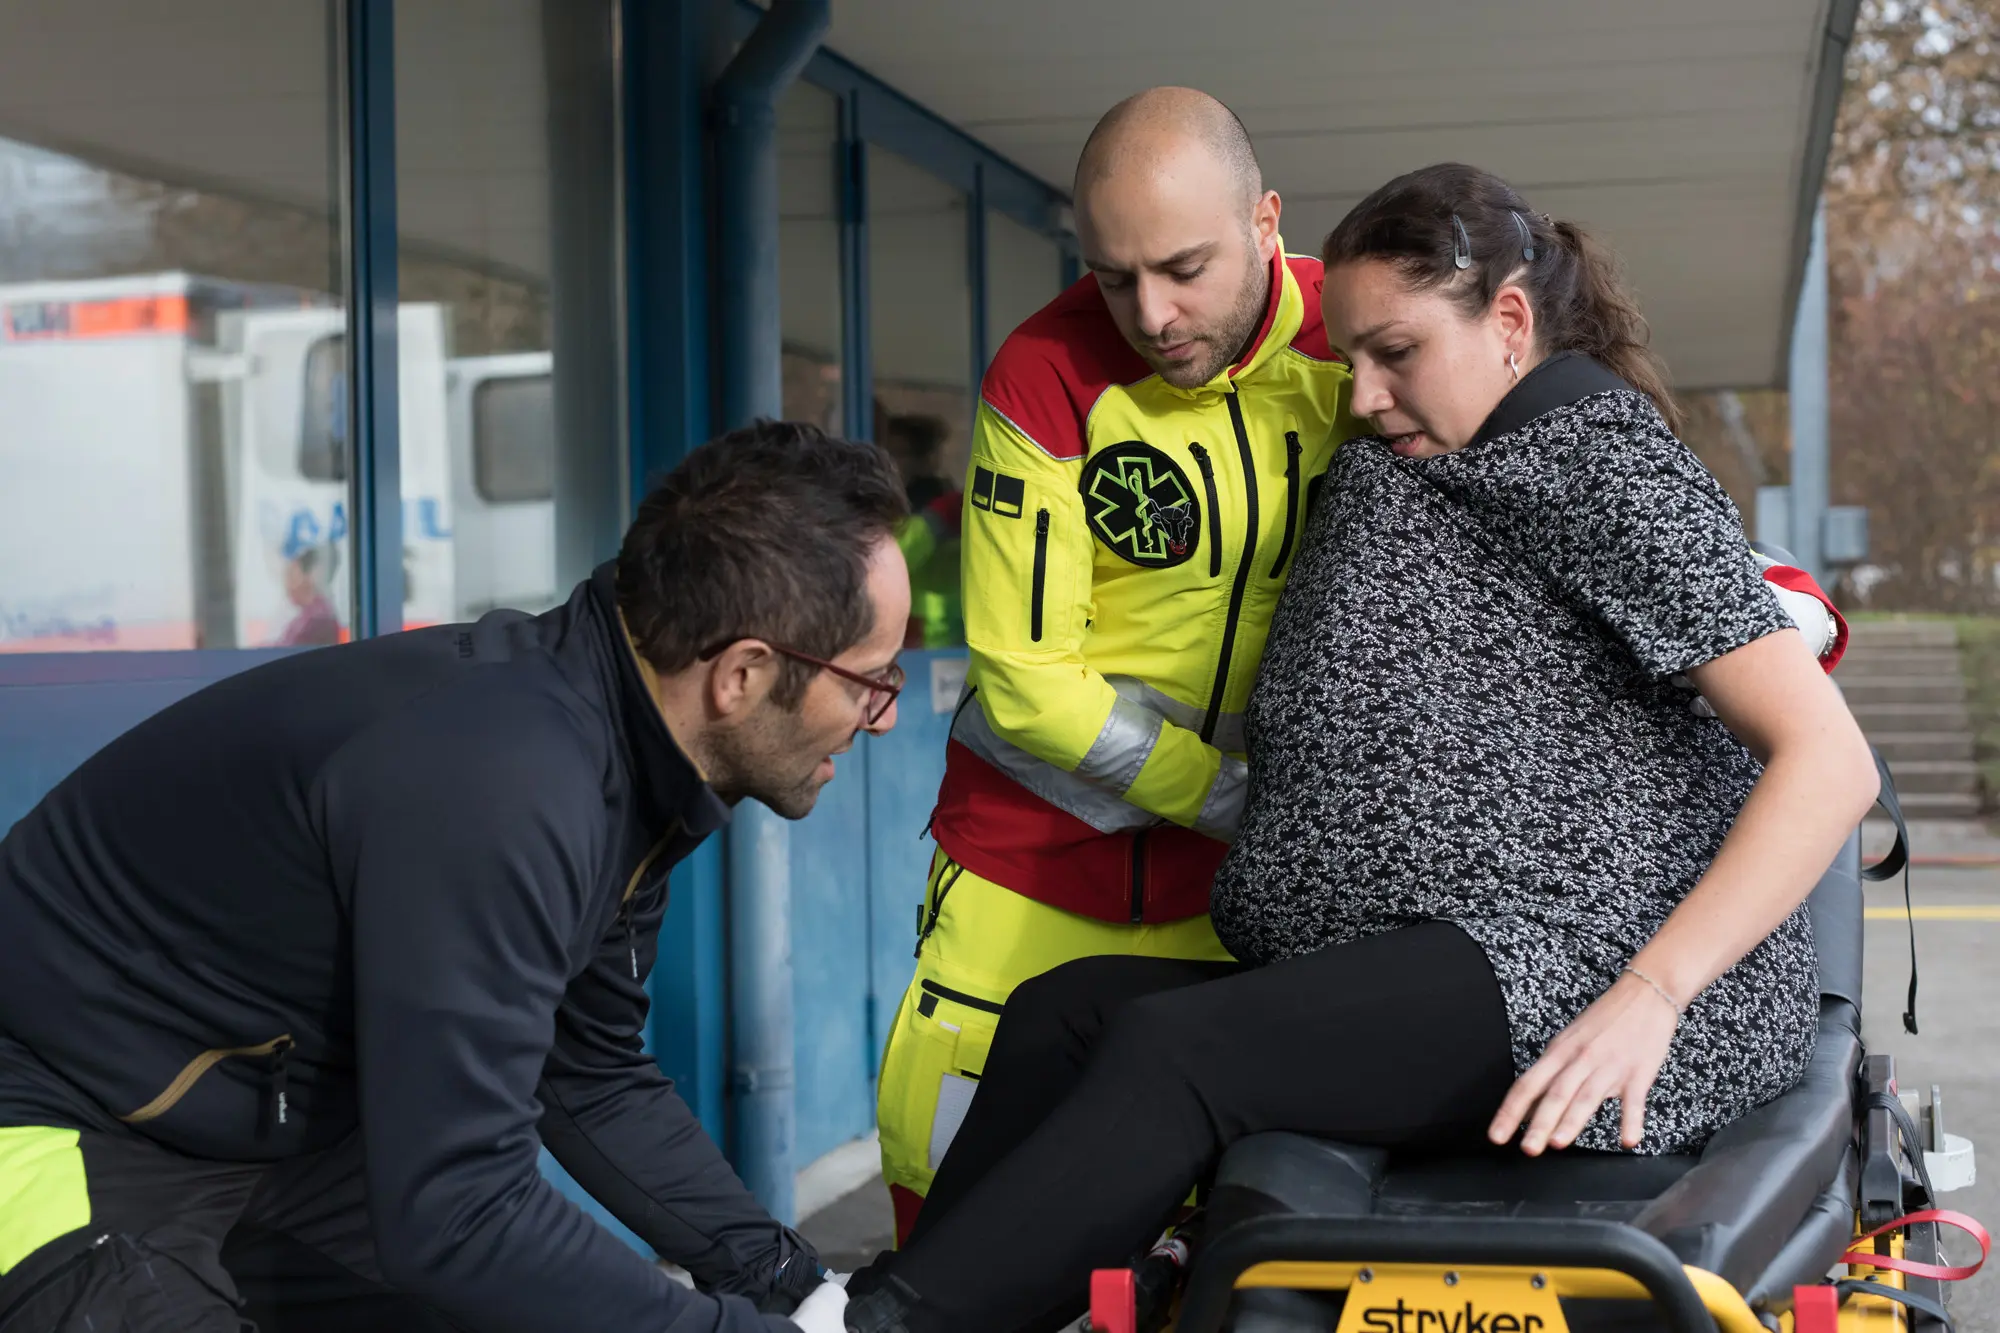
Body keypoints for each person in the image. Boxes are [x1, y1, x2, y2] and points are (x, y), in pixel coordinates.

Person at [842, 164, 1879, 1333]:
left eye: (1397, 352)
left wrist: (1649, 993)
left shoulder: (1594, 452)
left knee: (1174, 1053)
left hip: (1569, 971)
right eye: (1349, 361)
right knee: (1061, 1013)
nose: (1366, 394)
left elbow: (1828, 761)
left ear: (1508, 322)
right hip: (1455, 948)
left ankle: (880, 1326)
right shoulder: (1443, 447)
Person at [0, 421, 902, 1333]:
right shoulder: (504, 778)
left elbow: (587, 1073)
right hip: (55, 1114)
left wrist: (791, 1283)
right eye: (870, 680)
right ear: (742, 673)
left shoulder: (628, 757)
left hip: (268, 1135)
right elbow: (461, 1211)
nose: (881, 717)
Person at [873, 86, 1364, 1239]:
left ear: (1265, 222)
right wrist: (1235, 800)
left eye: (1183, 268)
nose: (1150, 312)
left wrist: (1758, 598)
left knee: (1213, 1240)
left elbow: (1535, 463)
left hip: (1242, 900)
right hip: (1027, 866)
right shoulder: (1044, 369)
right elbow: (1028, 680)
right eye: (1110, 275)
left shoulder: (1356, 336)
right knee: (955, 1206)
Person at [275, 546, 343, 648]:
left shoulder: (317, 620)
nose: (287, 585)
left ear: (309, 575)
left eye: (291, 575)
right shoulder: (307, 617)